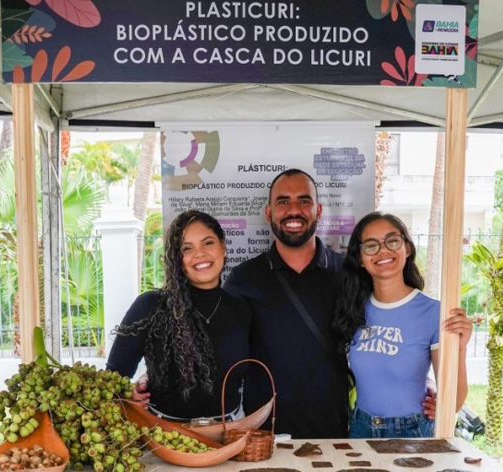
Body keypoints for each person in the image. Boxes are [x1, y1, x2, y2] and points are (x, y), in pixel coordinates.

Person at [223, 169, 350, 439]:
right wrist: (154, 377)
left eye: (304, 201)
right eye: (283, 201)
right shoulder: (243, 278)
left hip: (334, 432)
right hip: (264, 436)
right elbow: (214, 342)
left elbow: (382, 332)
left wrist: (427, 382)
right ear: (269, 213)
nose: (294, 210)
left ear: (319, 210)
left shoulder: (348, 275)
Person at [332, 211, 472, 438]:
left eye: (392, 241)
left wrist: (461, 348)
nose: (383, 250)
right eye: (371, 245)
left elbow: (453, 400)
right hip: (361, 429)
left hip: (413, 432)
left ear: (407, 248)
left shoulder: (433, 312)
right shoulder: (353, 309)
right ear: (360, 258)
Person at [106, 210, 252, 421]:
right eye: (187, 248)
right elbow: (113, 376)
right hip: (165, 437)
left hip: (231, 433)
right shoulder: (150, 306)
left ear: (223, 247)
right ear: (177, 259)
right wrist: (128, 393)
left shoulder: (241, 309)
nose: (199, 254)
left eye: (208, 243)